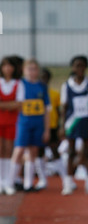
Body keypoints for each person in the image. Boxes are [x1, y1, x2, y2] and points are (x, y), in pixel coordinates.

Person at [6, 59, 50, 194]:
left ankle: (28, 183)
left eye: (34, 69)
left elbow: (46, 109)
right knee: (19, 151)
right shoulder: (20, 84)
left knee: (33, 152)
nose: (32, 72)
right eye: (29, 69)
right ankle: (10, 183)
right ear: (24, 70)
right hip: (24, 123)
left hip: (38, 123)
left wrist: (47, 129)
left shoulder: (42, 86)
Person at [60, 55, 88, 195]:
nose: (80, 68)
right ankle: (68, 184)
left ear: (86, 67)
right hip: (72, 122)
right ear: (73, 67)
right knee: (70, 152)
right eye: (77, 65)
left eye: (82, 65)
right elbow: (64, 107)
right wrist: (62, 126)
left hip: (86, 122)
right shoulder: (67, 85)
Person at [34, 68, 65, 190]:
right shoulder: (35, 93)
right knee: (39, 153)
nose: (43, 79)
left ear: (49, 79)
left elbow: (58, 112)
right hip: (38, 127)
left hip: (52, 127)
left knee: (55, 151)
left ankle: (65, 179)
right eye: (41, 77)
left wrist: (60, 127)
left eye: (46, 77)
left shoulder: (54, 94)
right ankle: (42, 180)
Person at [0, 56, 23, 194]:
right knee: (0, 150)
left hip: (12, 121)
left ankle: (8, 181)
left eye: (10, 66)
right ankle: (0, 180)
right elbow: (14, 104)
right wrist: (10, 105)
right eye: (4, 66)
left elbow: (19, 104)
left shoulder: (18, 84)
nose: (7, 68)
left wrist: (3, 104)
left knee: (9, 150)